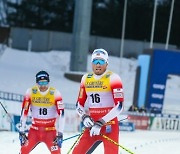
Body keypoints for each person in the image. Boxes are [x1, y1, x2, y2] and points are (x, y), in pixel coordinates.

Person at [72, 48, 124, 154]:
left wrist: (101, 122)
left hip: (109, 125)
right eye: (95, 61)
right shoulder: (86, 78)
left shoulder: (113, 78)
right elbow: (79, 104)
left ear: (106, 64)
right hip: (92, 125)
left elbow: (119, 106)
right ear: (92, 63)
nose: (98, 65)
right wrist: (84, 116)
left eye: (101, 61)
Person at [19, 70, 65, 154]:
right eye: (40, 83)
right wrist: (21, 131)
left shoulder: (55, 93)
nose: (43, 86)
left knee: (56, 152)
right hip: (34, 131)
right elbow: (24, 112)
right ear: (37, 83)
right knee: (23, 151)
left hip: (50, 132)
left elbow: (62, 114)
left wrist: (60, 133)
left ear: (48, 82)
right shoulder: (30, 92)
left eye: (45, 83)